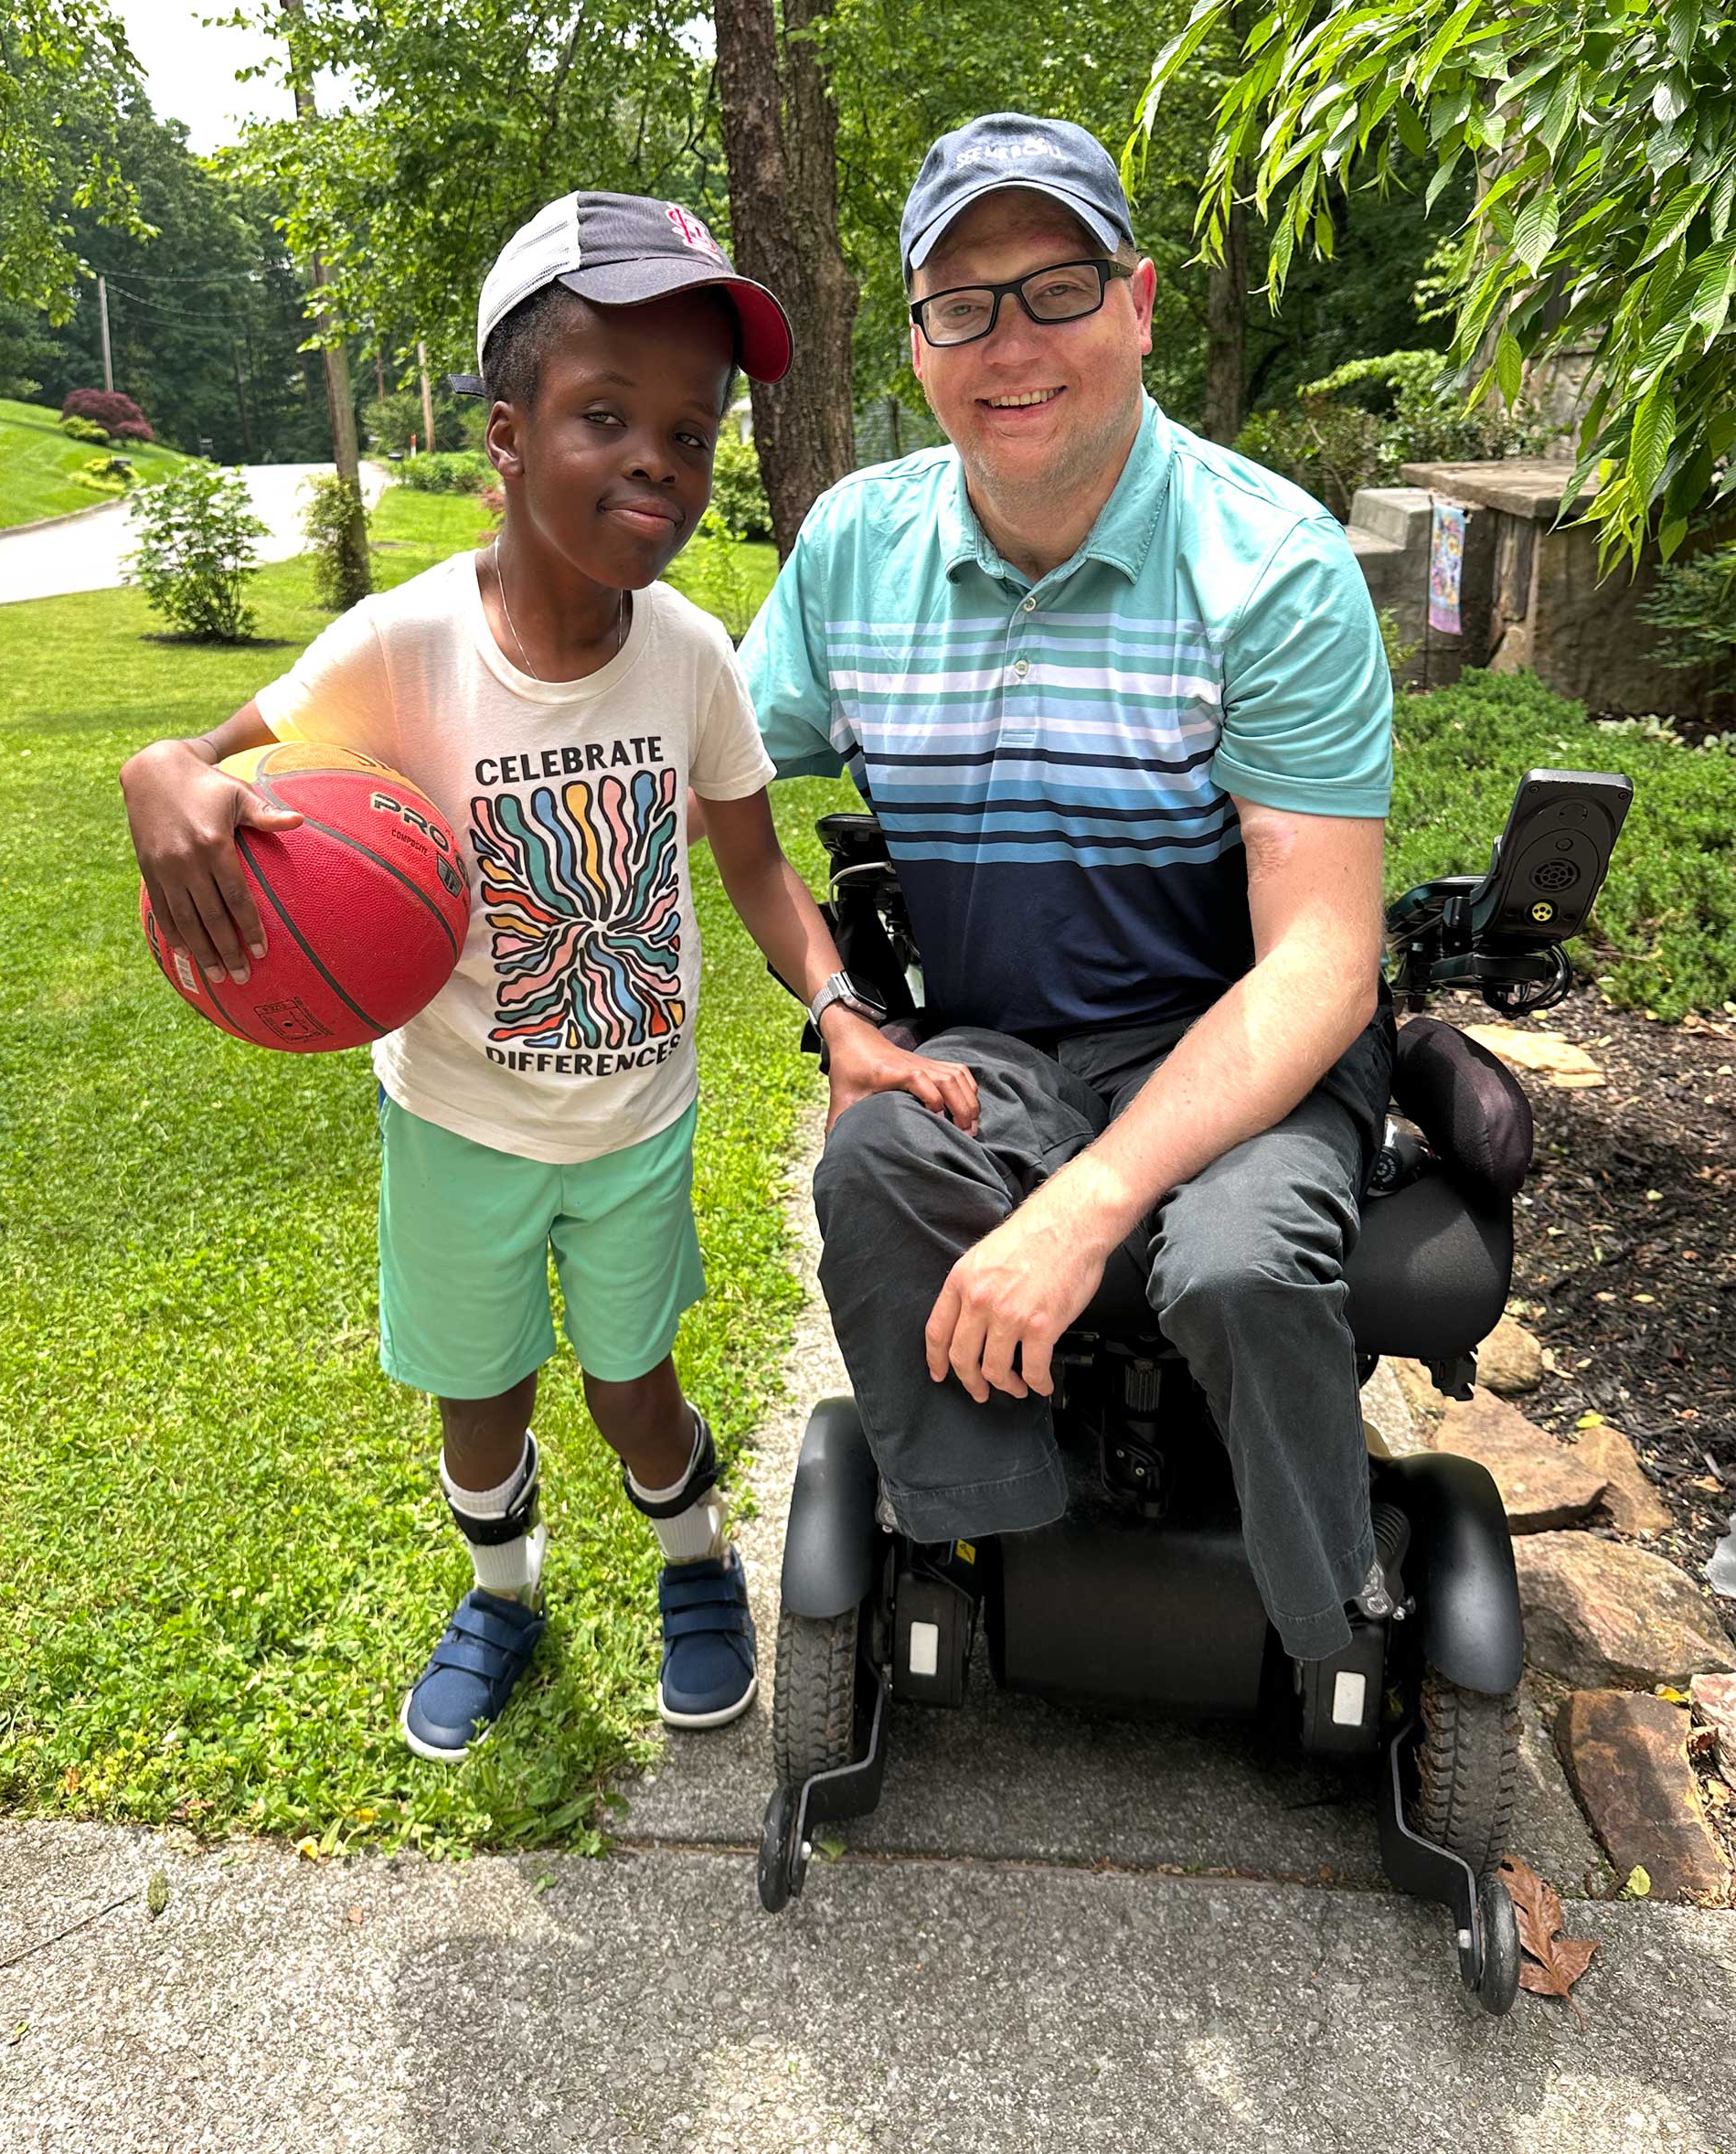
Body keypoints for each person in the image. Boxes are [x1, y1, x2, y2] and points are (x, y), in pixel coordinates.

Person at [119, 191, 977, 1762]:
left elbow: (758, 870)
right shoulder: (400, 647)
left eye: (690, 430)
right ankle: (502, 1597)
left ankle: (691, 1562)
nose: (659, 455)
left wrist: (844, 1011)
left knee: (632, 1388)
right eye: (605, 415)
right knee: (480, 1392)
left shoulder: (695, 659)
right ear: (506, 435)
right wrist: (154, 767)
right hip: (456, 1118)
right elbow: (205, 765)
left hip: (633, 1124)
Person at [740, 116, 1400, 1662]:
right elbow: (688, 754)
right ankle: (979, 1529)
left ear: (1142, 301)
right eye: (960, 304)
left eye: (1056, 289)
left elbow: (1320, 964)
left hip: (1239, 1043)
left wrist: (1094, 1204)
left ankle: (1334, 1613)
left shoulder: (1271, 568)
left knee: (1235, 1266)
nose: (1007, 343)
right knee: (874, 1163)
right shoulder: (853, 551)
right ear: (915, 341)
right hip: (999, 1046)